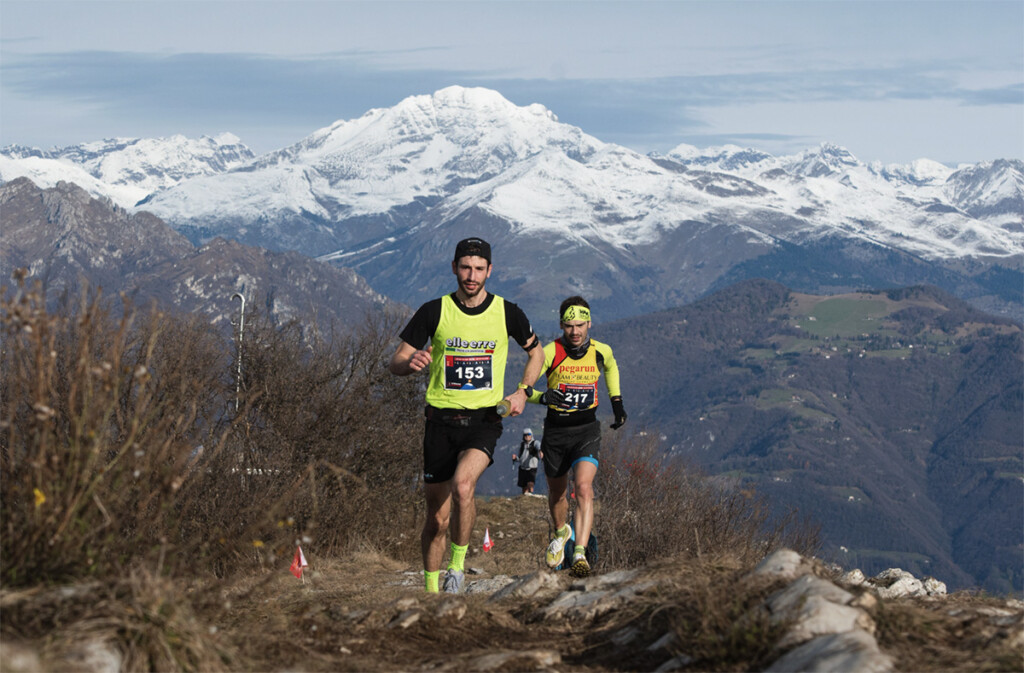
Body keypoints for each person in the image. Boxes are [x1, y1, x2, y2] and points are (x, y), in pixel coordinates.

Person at [389, 237, 544, 594]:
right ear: (454, 268)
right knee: (437, 520)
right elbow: (395, 361)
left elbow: (537, 354)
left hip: (483, 422)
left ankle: (456, 570)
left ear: (490, 270)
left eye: (478, 269)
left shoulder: (507, 312)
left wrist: (523, 390)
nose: (471, 276)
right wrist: (408, 364)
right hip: (439, 423)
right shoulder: (434, 311)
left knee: (463, 486)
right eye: (465, 268)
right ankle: (430, 592)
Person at [526, 295, 626, 578]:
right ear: (561, 325)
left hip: (587, 431)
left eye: (580, 324)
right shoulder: (549, 352)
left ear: (589, 323)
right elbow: (525, 390)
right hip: (556, 433)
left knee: (583, 488)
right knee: (557, 494)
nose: (575, 331)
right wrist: (543, 397)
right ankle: (561, 534)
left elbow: (611, 366)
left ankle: (580, 553)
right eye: (569, 326)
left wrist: (617, 403)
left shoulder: (600, 351)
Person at [512, 428, 542, 495]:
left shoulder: (534, 443)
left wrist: (540, 451)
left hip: (532, 468)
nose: (527, 436)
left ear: (531, 435)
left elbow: (539, 446)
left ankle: (530, 495)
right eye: (525, 435)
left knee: (530, 483)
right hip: (522, 468)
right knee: (523, 486)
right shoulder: (522, 445)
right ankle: (525, 498)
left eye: (529, 435)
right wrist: (515, 458)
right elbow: (520, 458)